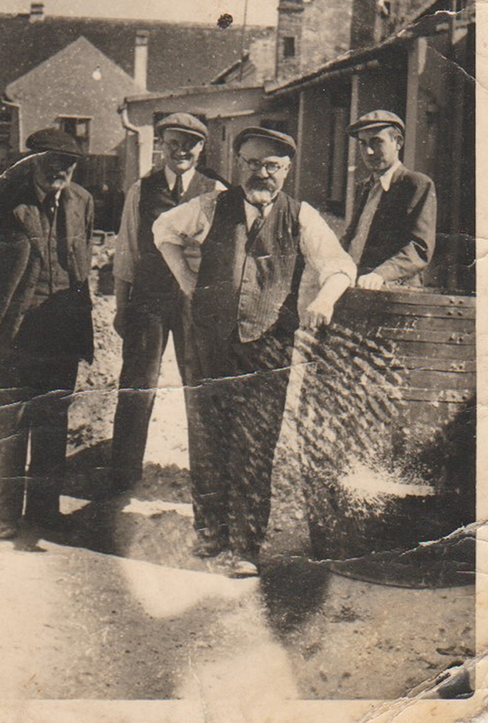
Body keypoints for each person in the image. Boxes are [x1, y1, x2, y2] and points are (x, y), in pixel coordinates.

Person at [153, 127, 356, 576]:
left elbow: (340, 265)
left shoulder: (301, 217)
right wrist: (186, 280)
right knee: (207, 433)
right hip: (209, 340)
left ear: (287, 170)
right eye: (252, 164)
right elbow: (162, 230)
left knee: (255, 442)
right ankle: (209, 532)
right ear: (239, 164)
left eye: (273, 166)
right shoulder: (210, 206)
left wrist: (324, 299)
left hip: (268, 344)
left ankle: (245, 547)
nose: (262, 174)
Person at [0, 128, 94, 540]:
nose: (61, 170)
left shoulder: (82, 202)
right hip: (15, 331)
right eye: (52, 161)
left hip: (63, 329)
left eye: (68, 163)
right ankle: (5, 515)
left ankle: (45, 511)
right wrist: (4, 295)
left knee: (53, 423)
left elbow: (82, 260)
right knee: (11, 423)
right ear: (32, 160)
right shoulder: (2, 201)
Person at [110, 113, 224, 492]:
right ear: (161, 144)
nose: (181, 151)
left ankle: (206, 475)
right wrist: (121, 305)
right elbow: (126, 250)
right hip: (149, 299)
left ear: (201, 148)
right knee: (138, 383)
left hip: (197, 303)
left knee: (201, 385)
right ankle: (124, 473)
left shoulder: (216, 192)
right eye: (173, 143)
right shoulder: (140, 191)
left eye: (190, 144)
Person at [344, 110, 436, 289]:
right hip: (357, 286)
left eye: (377, 142)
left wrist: (381, 274)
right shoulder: (364, 187)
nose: (369, 151)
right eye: (363, 143)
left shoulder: (416, 185)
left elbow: (420, 248)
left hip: (395, 290)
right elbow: (354, 237)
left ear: (398, 142)